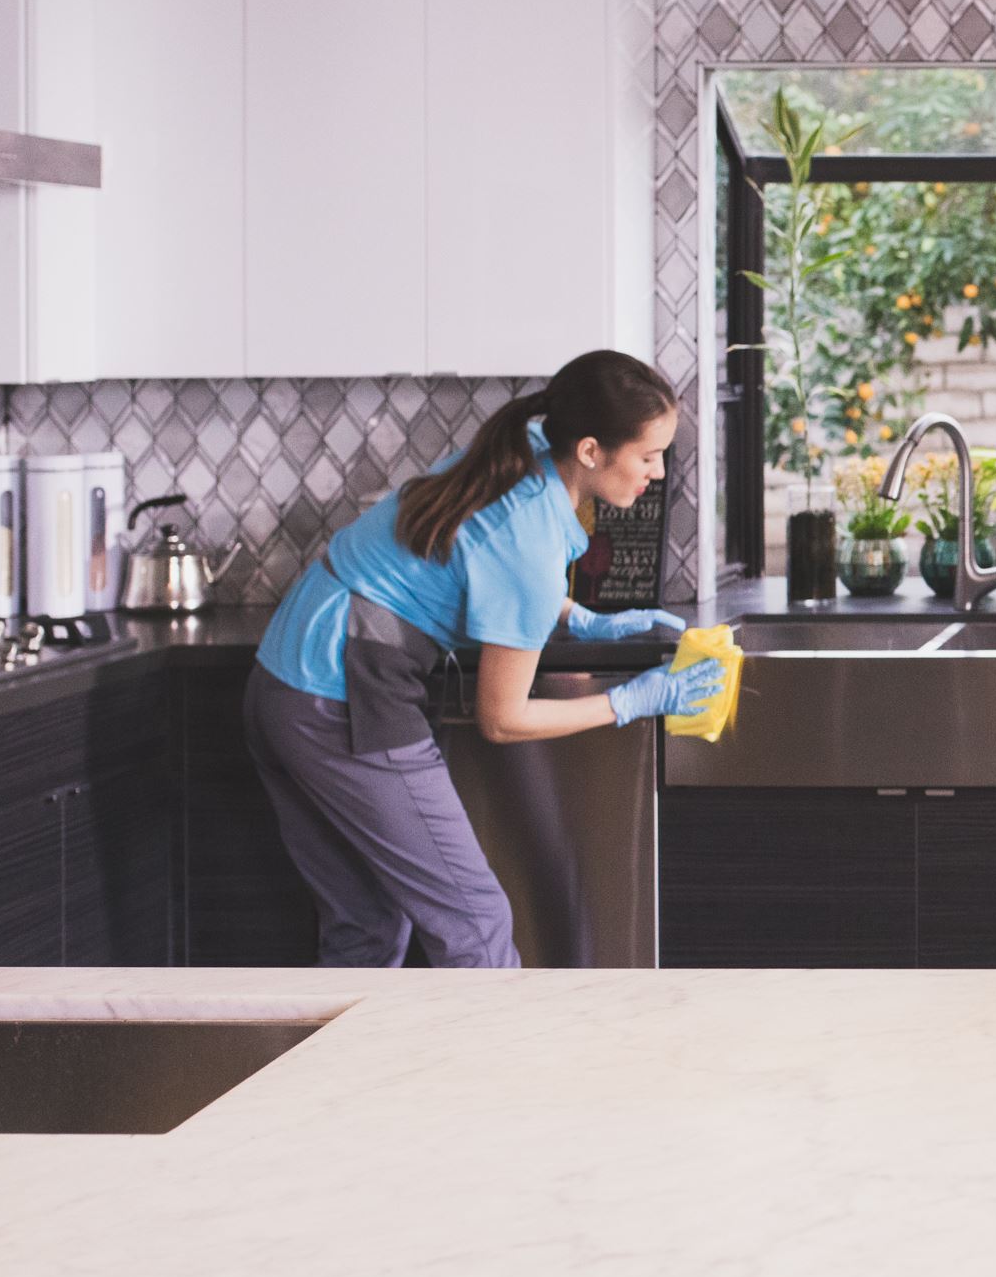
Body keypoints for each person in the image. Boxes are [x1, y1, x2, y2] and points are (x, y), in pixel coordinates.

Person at [245, 349, 724, 968]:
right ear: (589, 451)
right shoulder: (532, 540)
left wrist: (575, 616)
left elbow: (478, 546)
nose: (657, 474)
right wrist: (634, 700)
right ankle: (498, 1069)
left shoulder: (528, 444)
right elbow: (504, 719)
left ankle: (353, 1068)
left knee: (365, 924)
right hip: (342, 699)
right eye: (648, 456)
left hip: (282, 683)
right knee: (475, 924)